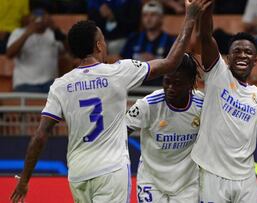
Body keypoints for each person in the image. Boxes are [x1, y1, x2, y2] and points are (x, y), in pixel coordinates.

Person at [10, 0, 211, 202]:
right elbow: (170, 62)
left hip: (78, 173)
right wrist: (190, 18)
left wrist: (25, 178)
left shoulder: (60, 85)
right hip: (111, 171)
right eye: (103, 40)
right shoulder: (117, 72)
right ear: (98, 45)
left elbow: (40, 136)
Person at [190, 1, 257, 202]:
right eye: (237, 51)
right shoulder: (217, 73)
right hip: (213, 173)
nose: (242, 55)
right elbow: (206, 37)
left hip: (247, 178)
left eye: (248, 52)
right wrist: (207, 10)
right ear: (228, 57)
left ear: (255, 60)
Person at [126, 53, 202, 202]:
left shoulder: (202, 105)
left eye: (178, 83)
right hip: (151, 180)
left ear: (191, 82)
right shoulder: (148, 105)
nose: (170, 88)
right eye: (167, 81)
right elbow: (119, 133)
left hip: (187, 184)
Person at [6, 5, 66, 93]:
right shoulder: (18, 32)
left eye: (43, 15)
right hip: (25, 84)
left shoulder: (54, 33)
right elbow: (9, 54)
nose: (39, 19)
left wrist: (55, 28)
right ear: (29, 17)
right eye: (36, 15)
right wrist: (27, 33)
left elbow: (69, 51)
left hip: (50, 84)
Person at [121, 0, 176, 86]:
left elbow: (173, 66)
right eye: (145, 15)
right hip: (135, 84)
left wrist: (155, 61)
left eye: (153, 15)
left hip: (159, 85)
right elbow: (123, 61)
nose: (148, 19)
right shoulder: (134, 38)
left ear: (161, 18)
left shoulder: (170, 41)